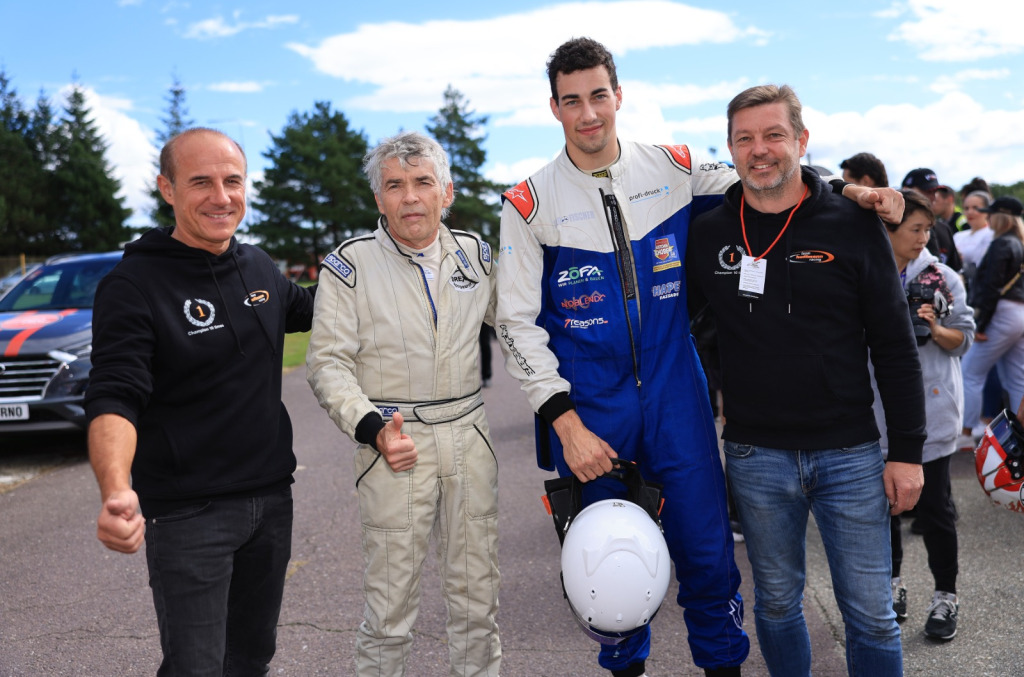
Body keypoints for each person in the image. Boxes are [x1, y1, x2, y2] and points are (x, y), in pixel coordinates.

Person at [496, 37, 903, 677]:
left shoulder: (673, 166)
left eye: (598, 95)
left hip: (676, 394)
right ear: (554, 108)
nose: (588, 113)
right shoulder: (528, 203)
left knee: (710, 561)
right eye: (571, 101)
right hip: (591, 409)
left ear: (619, 96)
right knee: (609, 575)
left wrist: (846, 189)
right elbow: (514, 323)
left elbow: (767, 175)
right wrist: (565, 425)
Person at [687, 84, 926, 676]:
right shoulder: (708, 232)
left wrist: (907, 453)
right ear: (730, 149)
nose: (759, 150)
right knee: (775, 603)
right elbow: (680, 331)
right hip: (755, 456)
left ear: (801, 140)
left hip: (850, 454)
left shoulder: (852, 222)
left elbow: (895, 346)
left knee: (871, 616)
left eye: (774, 135)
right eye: (745, 138)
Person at [84, 127, 316, 675]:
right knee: (196, 668)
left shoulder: (258, 266)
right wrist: (115, 490)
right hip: (190, 514)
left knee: (251, 659)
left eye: (233, 181)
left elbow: (326, 311)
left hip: (271, 501)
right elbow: (115, 394)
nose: (221, 197)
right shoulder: (134, 284)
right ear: (167, 188)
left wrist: (390, 253)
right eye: (200, 182)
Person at [306, 130, 500, 677]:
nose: (410, 197)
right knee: (389, 614)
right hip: (394, 441)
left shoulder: (477, 256)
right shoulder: (349, 266)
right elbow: (327, 363)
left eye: (422, 182)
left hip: (469, 437)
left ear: (447, 191)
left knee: (477, 604)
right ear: (379, 198)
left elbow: (523, 328)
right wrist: (372, 428)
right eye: (394, 185)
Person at [873, 190, 974, 641]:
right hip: (875, 411)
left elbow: (963, 339)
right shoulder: (867, 271)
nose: (923, 238)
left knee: (935, 508)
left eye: (927, 230)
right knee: (884, 510)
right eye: (915, 229)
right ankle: (891, 587)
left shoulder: (943, 277)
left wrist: (934, 327)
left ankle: (945, 595)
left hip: (932, 410)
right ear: (888, 230)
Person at [960, 197, 1024, 453]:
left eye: (991, 214)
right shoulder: (1018, 241)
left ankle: (965, 433)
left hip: (1002, 312)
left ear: (1000, 217)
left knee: (970, 372)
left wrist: (981, 325)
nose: (987, 218)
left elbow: (991, 287)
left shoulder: (1002, 243)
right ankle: (1019, 438)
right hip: (1019, 311)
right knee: (1017, 378)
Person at [901, 168, 962, 273]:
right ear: (906, 190)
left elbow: (957, 272)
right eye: (927, 191)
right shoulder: (891, 228)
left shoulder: (944, 229)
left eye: (935, 192)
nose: (933, 197)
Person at [953, 190, 994, 288]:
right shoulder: (958, 236)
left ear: (987, 211)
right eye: (966, 208)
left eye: (976, 208)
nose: (970, 212)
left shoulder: (992, 234)